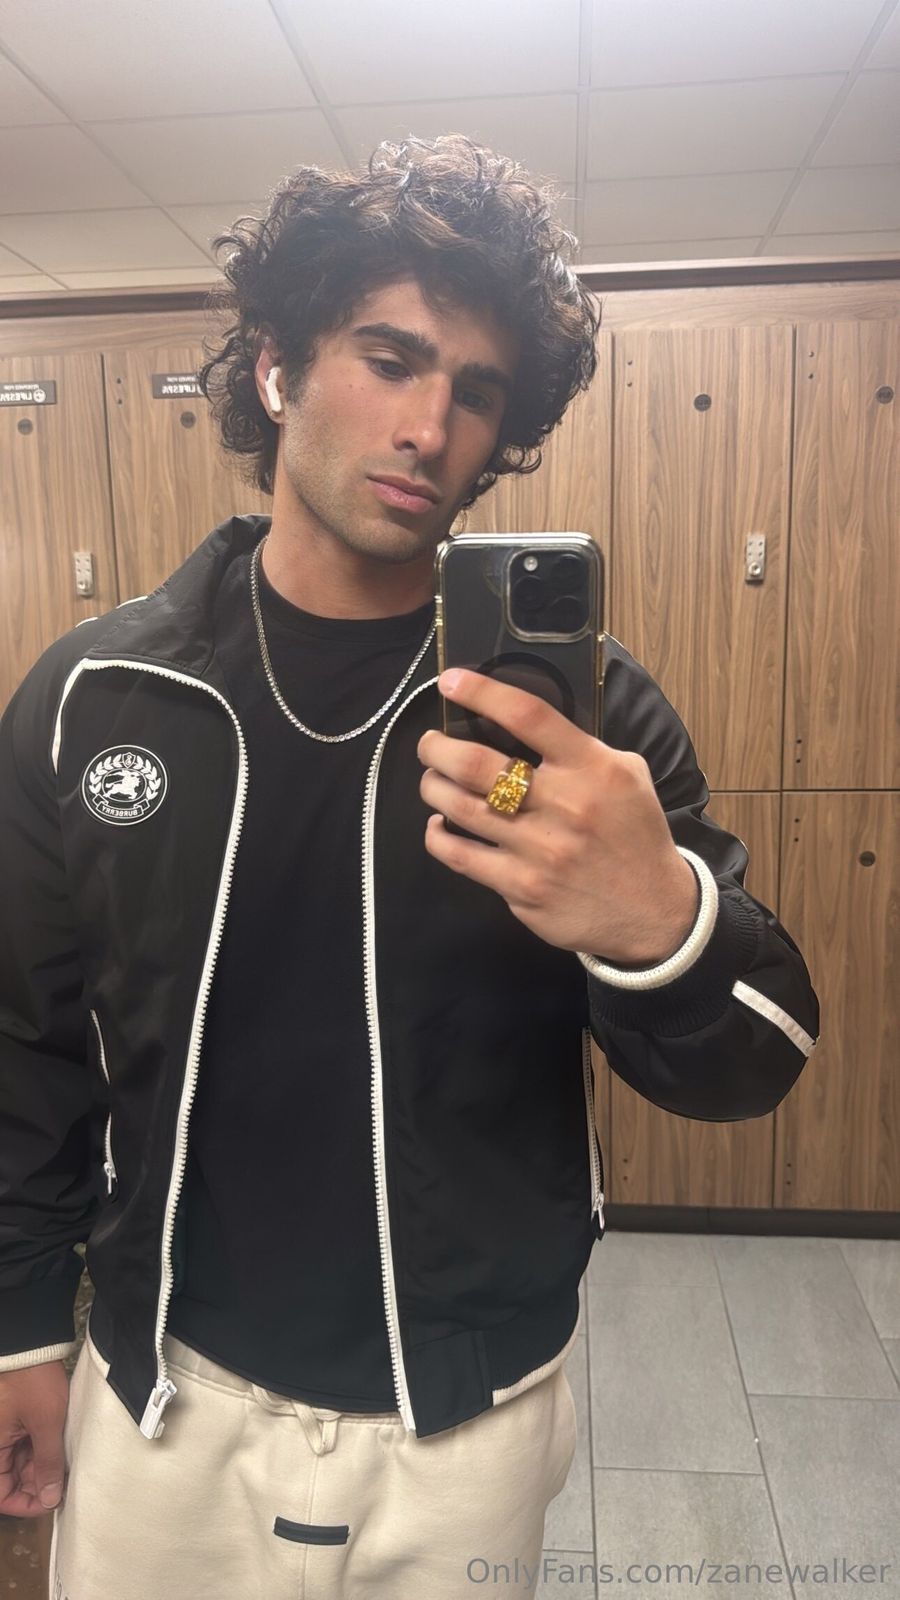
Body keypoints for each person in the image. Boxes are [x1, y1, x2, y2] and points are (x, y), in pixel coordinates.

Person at [0, 135, 820, 1599]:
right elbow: (25, 1045)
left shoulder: (584, 726)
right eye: (390, 360)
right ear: (276, 369)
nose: (431, 425)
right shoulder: (101, 697)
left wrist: (660, 922)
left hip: (466, 1416)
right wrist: (17, 1326)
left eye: (477, 392)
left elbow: (760, 1059)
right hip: (161, 1387)